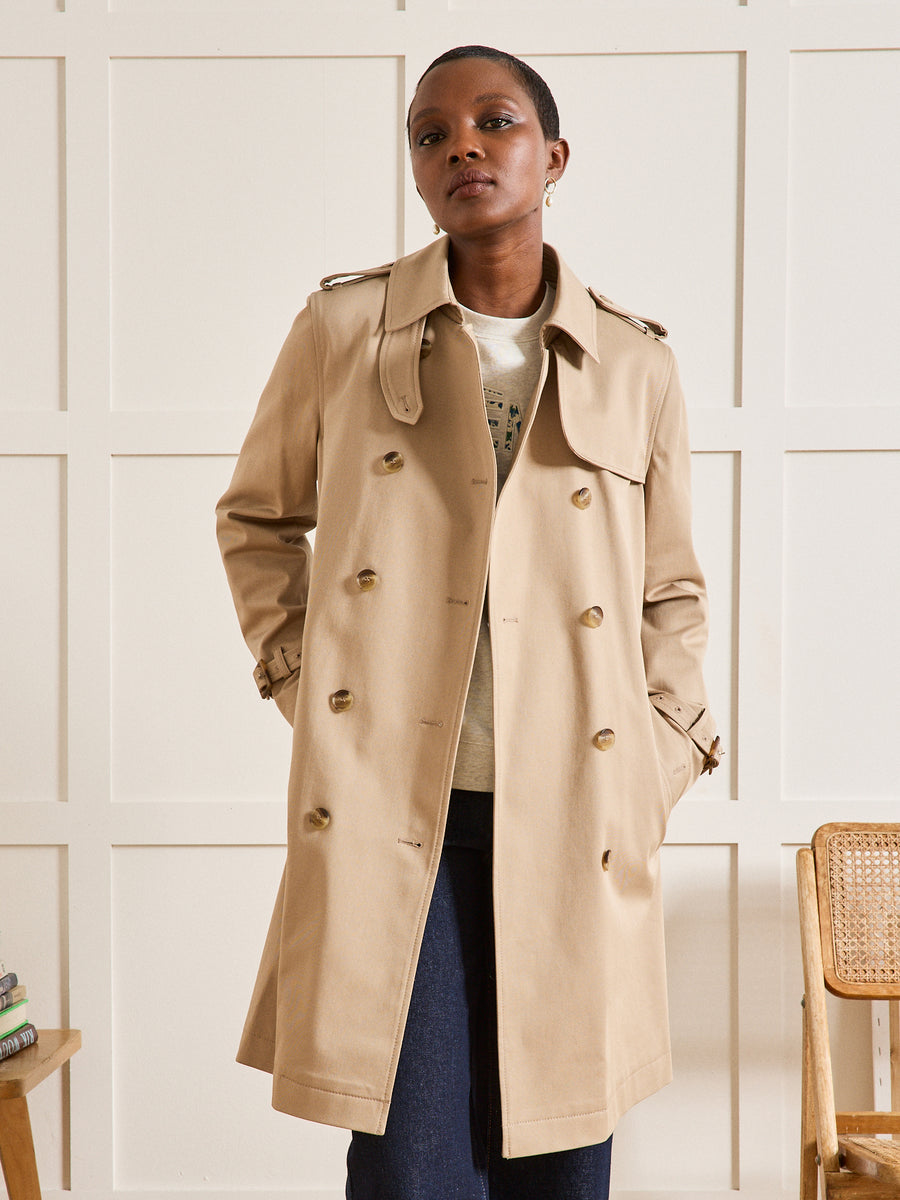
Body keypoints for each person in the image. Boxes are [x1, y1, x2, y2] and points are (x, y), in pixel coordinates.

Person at [216, 44, 721, 1200]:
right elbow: (256, 519)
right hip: (400, 808)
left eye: (495, 122)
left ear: (554, 156)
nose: (463, 148)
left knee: (561, 1155)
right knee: (413, 1166)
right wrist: (311, 685)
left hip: (579, 805)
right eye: (431, 134)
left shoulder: (634, 361)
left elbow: (673, 592)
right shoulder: (343, 330)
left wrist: (658, 757)